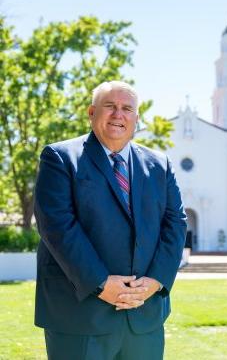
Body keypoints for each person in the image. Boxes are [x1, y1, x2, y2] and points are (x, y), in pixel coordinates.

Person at [33, 80, 187, 360]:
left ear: (136, 119)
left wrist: (155, 281)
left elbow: (175, 223)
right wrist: (101, 283)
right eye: (110, 106)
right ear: (92, 113)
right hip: (79, 314)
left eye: (127, 108)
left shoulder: (159, 164)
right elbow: (57, 226)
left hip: (144, 315)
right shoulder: (59, 157)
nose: (119, 114)